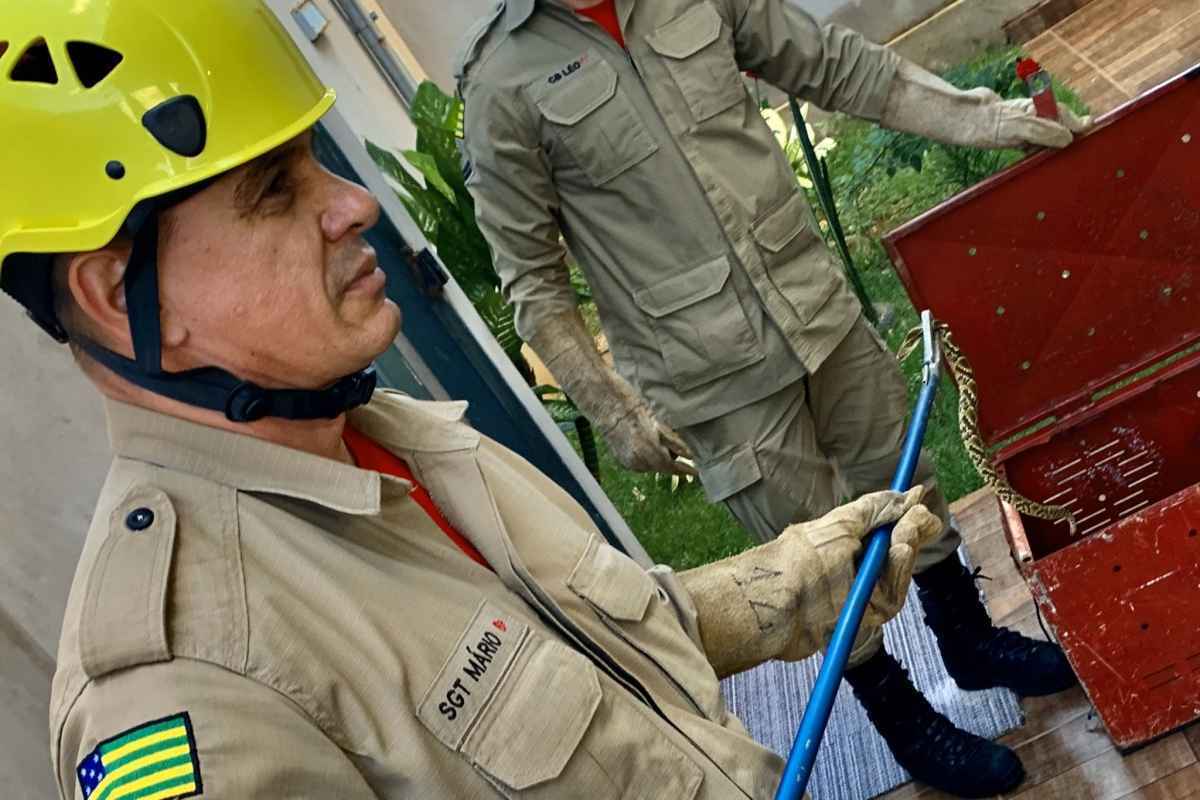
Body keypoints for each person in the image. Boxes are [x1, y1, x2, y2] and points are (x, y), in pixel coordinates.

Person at [1, 3, 942, 798]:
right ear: (118, 299)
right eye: (272, 191)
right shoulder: (182, 690)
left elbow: (588, 665)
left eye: (315, 162)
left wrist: (780, 586)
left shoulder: (405, 443)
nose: (352, 205)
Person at [455, 0, 1089, 795]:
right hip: (708, 373)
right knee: (818, 556)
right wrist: (611, 408)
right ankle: (904, 719)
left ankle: (969, 639)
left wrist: (984, 120)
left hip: (811, 302)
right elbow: (532, 280)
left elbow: (833, 63)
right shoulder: (501, 81)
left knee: (906, 476)